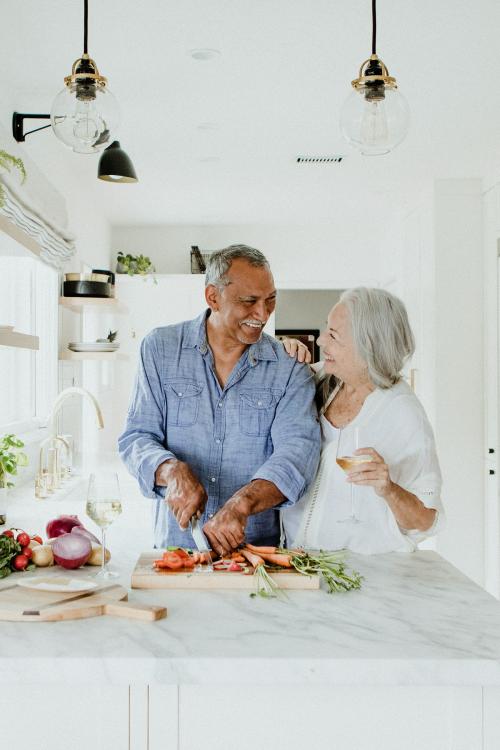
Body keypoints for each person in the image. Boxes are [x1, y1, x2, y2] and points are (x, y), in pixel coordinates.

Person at [118, 244, 320, 556]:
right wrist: (169, 470)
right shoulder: (160, 349)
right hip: (175, 551)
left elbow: (296, 456)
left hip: (254, 555)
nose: (263, 314)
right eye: (249, 301)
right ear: (213, 297)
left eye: (271, 300)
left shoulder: (290, 368)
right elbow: (136, 437)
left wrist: (242, 504)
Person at [282, 287, 444, 554]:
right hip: (300, 559)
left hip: (364, 572)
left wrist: (389, 489)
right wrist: (284, 351)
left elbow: (425, 522)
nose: (321, 342)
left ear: (368, 348)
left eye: (333, 336)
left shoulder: (403, 414)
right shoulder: (322, 379)